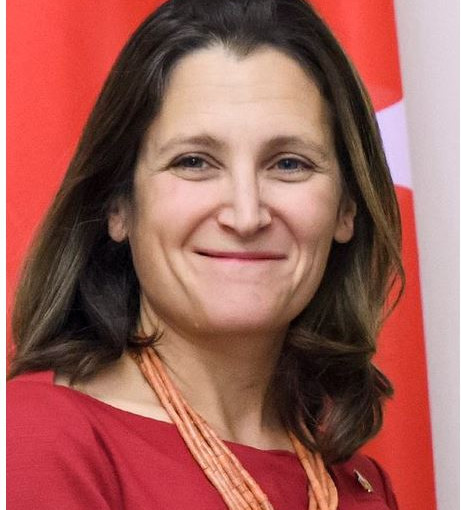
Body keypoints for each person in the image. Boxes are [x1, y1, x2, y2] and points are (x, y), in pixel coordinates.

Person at [7, 0, 403, 508]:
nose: (246, 214)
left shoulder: (358, 482)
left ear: (346, 208)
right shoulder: (35, 441)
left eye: (289, 164)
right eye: (194, 161)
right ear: (118, 205)